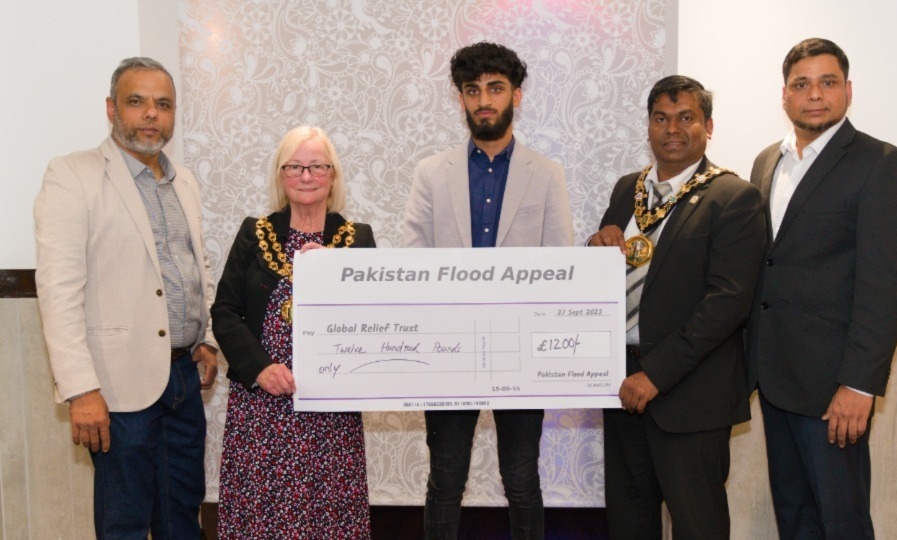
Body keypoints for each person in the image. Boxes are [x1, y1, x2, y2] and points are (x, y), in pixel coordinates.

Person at [34, 57, 219, 538]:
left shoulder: (185, 182)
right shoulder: (72, 175)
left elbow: (196, 270)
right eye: (137, 102)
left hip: (183, 378)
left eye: (163, 104)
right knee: (126, 524)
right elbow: (58, 291)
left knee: (183, 516)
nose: (151, 115)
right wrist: (80, 389)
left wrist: (208, 338)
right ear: (111, 108)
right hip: (116, 387)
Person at [403, 42, 573, 539]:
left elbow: (559, 266)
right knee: (445, 479)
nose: (484, 100)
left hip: (520, 350)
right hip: (447, 349)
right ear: (460, 99)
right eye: (472, 90)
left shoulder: (547, 175)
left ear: (516, 95)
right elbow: (414, 260)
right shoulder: (432, 173)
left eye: (495, 88)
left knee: (521, 478)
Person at [747, 38, 897, 539]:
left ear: (848, 90)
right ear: (784, 96)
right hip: (774, 377)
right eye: (801, 84)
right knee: (794, 519)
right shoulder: (765, 163)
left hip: (833, 387)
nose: (814, 94)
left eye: (827, 82)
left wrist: (859, 384)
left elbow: (886, 283)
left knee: (841, 523)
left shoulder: (879, 163)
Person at [588, 75, 766, 539]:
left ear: (708, 126)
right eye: (661, 118)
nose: (672, 128)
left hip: (689, 396)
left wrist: (657, 375)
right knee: (629, 524)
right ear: (648, 126)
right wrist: (595, 244)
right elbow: (611, 267)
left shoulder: (734, 196)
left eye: (686, 117)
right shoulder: (629, 188)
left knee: (698, 526)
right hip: (622, 387)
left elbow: (727, 304)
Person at [212, 125, 376, 538]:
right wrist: (261, 369)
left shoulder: (356, 239)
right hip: (261, 406)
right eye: (295, 166)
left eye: (317, 166)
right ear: (281, 175)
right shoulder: (255, 233)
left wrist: (336, 273)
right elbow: (226, 313)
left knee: (327, 516)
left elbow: (374, 317)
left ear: (332, 175)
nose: (306, 176)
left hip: (329, 410)